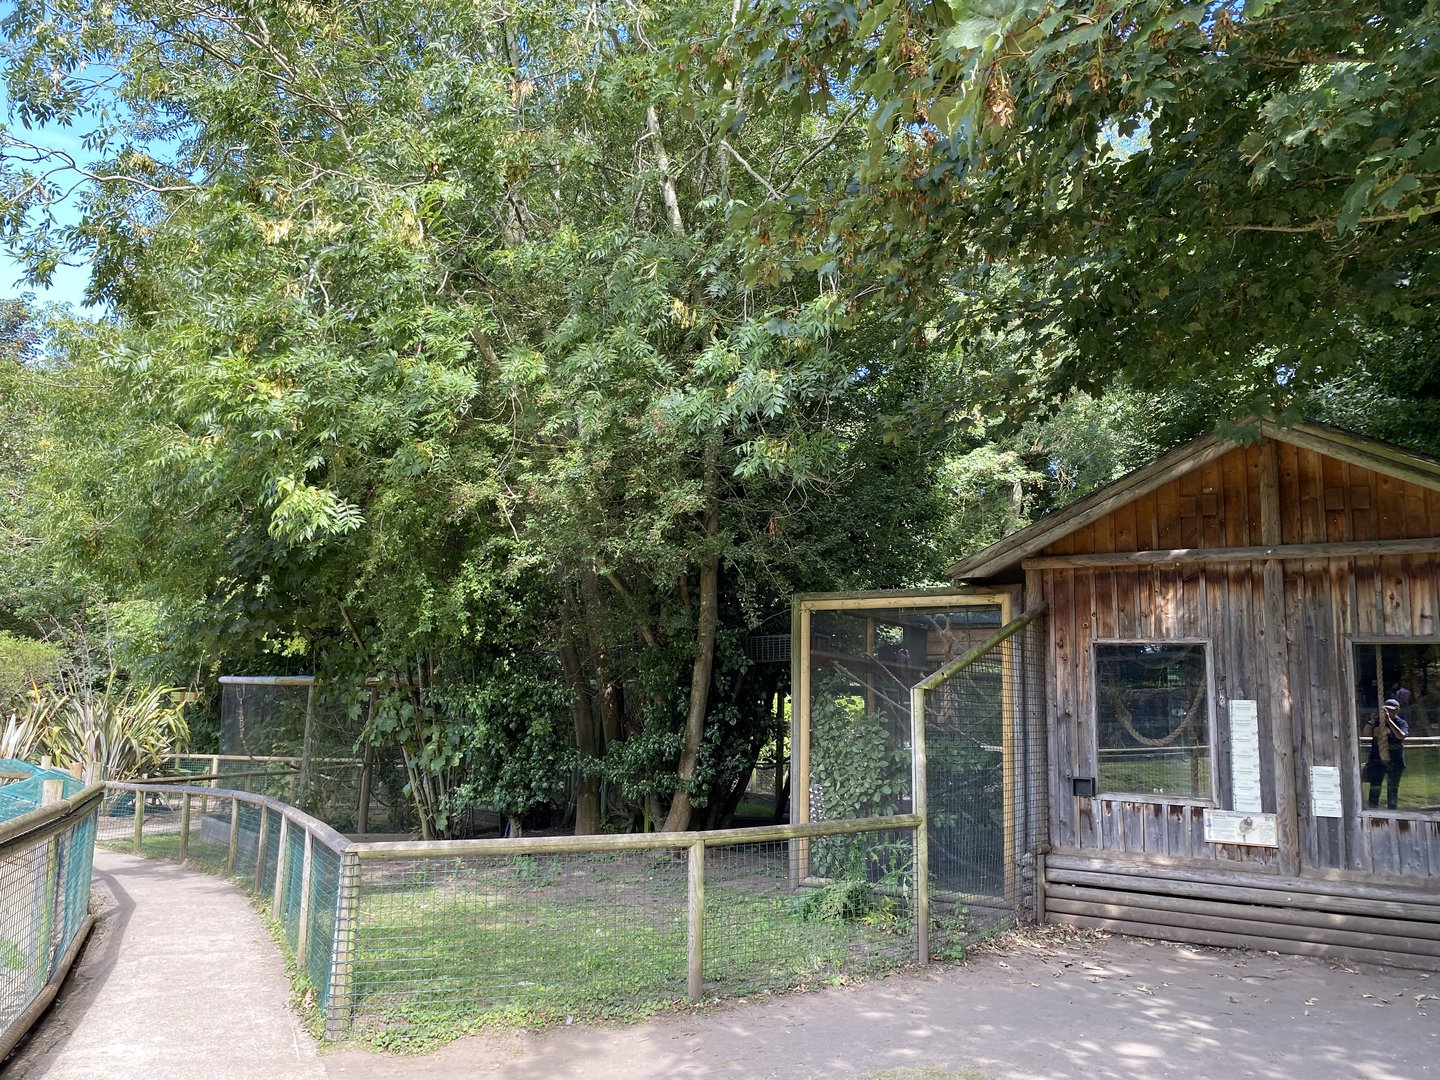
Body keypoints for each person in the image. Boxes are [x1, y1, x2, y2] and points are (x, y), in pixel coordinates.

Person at [1364, 698, 1409, 810]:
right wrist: (1371, 722)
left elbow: (1401, 736)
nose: (1388, 712)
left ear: (1397, 710)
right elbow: (1365, 735)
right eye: (1386, 710)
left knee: (1392, 789)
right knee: (1374, 788)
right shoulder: (1377, 722)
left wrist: (1389, 721)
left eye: (1391, 710)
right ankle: (1372, 812)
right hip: (1376, 759)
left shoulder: (1401, 722)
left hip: (1395, 761)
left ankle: (1392, 812)